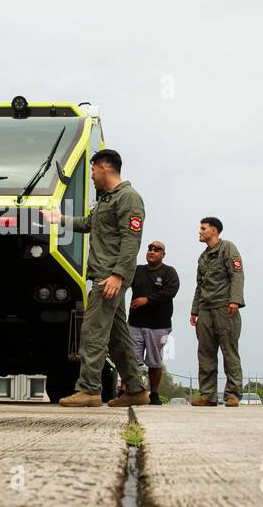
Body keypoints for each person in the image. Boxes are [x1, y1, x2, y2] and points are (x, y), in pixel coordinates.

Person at [44, 149, 149, 408]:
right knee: (117, 337)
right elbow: (88, 223)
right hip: (106, 275)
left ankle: (89, 390)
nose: (91, 176)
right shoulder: (106, 200)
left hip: (109, 277)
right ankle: (136, 389)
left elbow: (131, 241)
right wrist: (60, 220)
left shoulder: (129, 198)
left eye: (92, 170)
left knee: (91, 332)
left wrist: (117, 275)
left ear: (103, 168)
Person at [189, 216, 246, 407]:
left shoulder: (228, 248)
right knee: (205, 353)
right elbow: (199, 285)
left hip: (225, 307)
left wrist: (235, 301)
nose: (200, 231)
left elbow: (237, 275)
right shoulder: (203, 257)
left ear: (214, 231)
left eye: (203, 228)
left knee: (229, 352)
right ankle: (207, 395)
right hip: (205, 309)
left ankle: (233, 394)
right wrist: (194, 310)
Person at [128, 240, 180, 405]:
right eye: (150, 248)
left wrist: (147, 300)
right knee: (131, 359)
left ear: (163, 254)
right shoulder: (137, 270)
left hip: (159, 326)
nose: (152, 251)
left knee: (154, 361)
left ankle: (154, 394)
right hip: (135, 324)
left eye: (157, 249)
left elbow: (170, 292)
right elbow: (122, 283)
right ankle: (128, 391)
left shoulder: (169, 272)